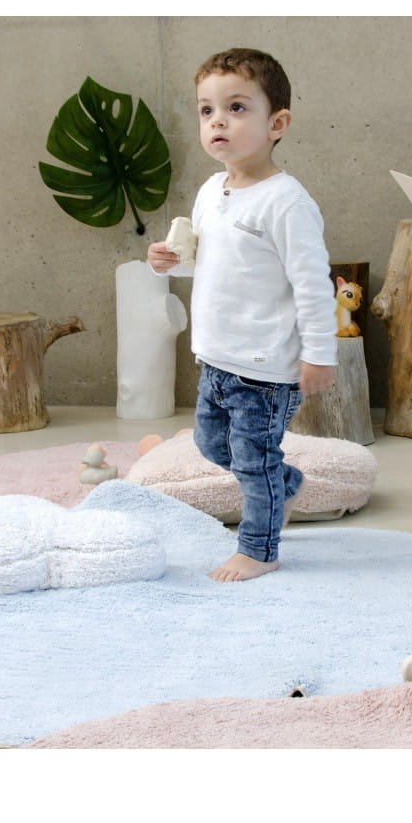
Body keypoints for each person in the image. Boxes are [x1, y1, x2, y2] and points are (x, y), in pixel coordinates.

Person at [148, 48, 337, 582]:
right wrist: (171, 262)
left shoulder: (287, 203)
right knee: (212, 446)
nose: (218, 122)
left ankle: (258, 549)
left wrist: (319, 355)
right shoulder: (213, 190)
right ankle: (285, 484)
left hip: (264, 367)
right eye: (207, 110)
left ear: (277, 124)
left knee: (253, 461)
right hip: (217, 357)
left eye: (236, 108)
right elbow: (212, 264)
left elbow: (312, 285)